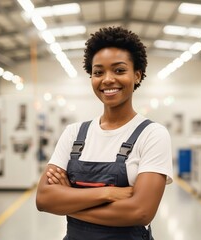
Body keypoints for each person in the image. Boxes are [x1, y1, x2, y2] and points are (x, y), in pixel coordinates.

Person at [36, 26, 173, 240]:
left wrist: (68, 202)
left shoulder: (152, 134)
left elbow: (140, 211)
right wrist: (108, 193)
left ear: (137, 75)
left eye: (119, 70)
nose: (107, 79)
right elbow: (44, 199)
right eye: (98, 72)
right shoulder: (74, 134)